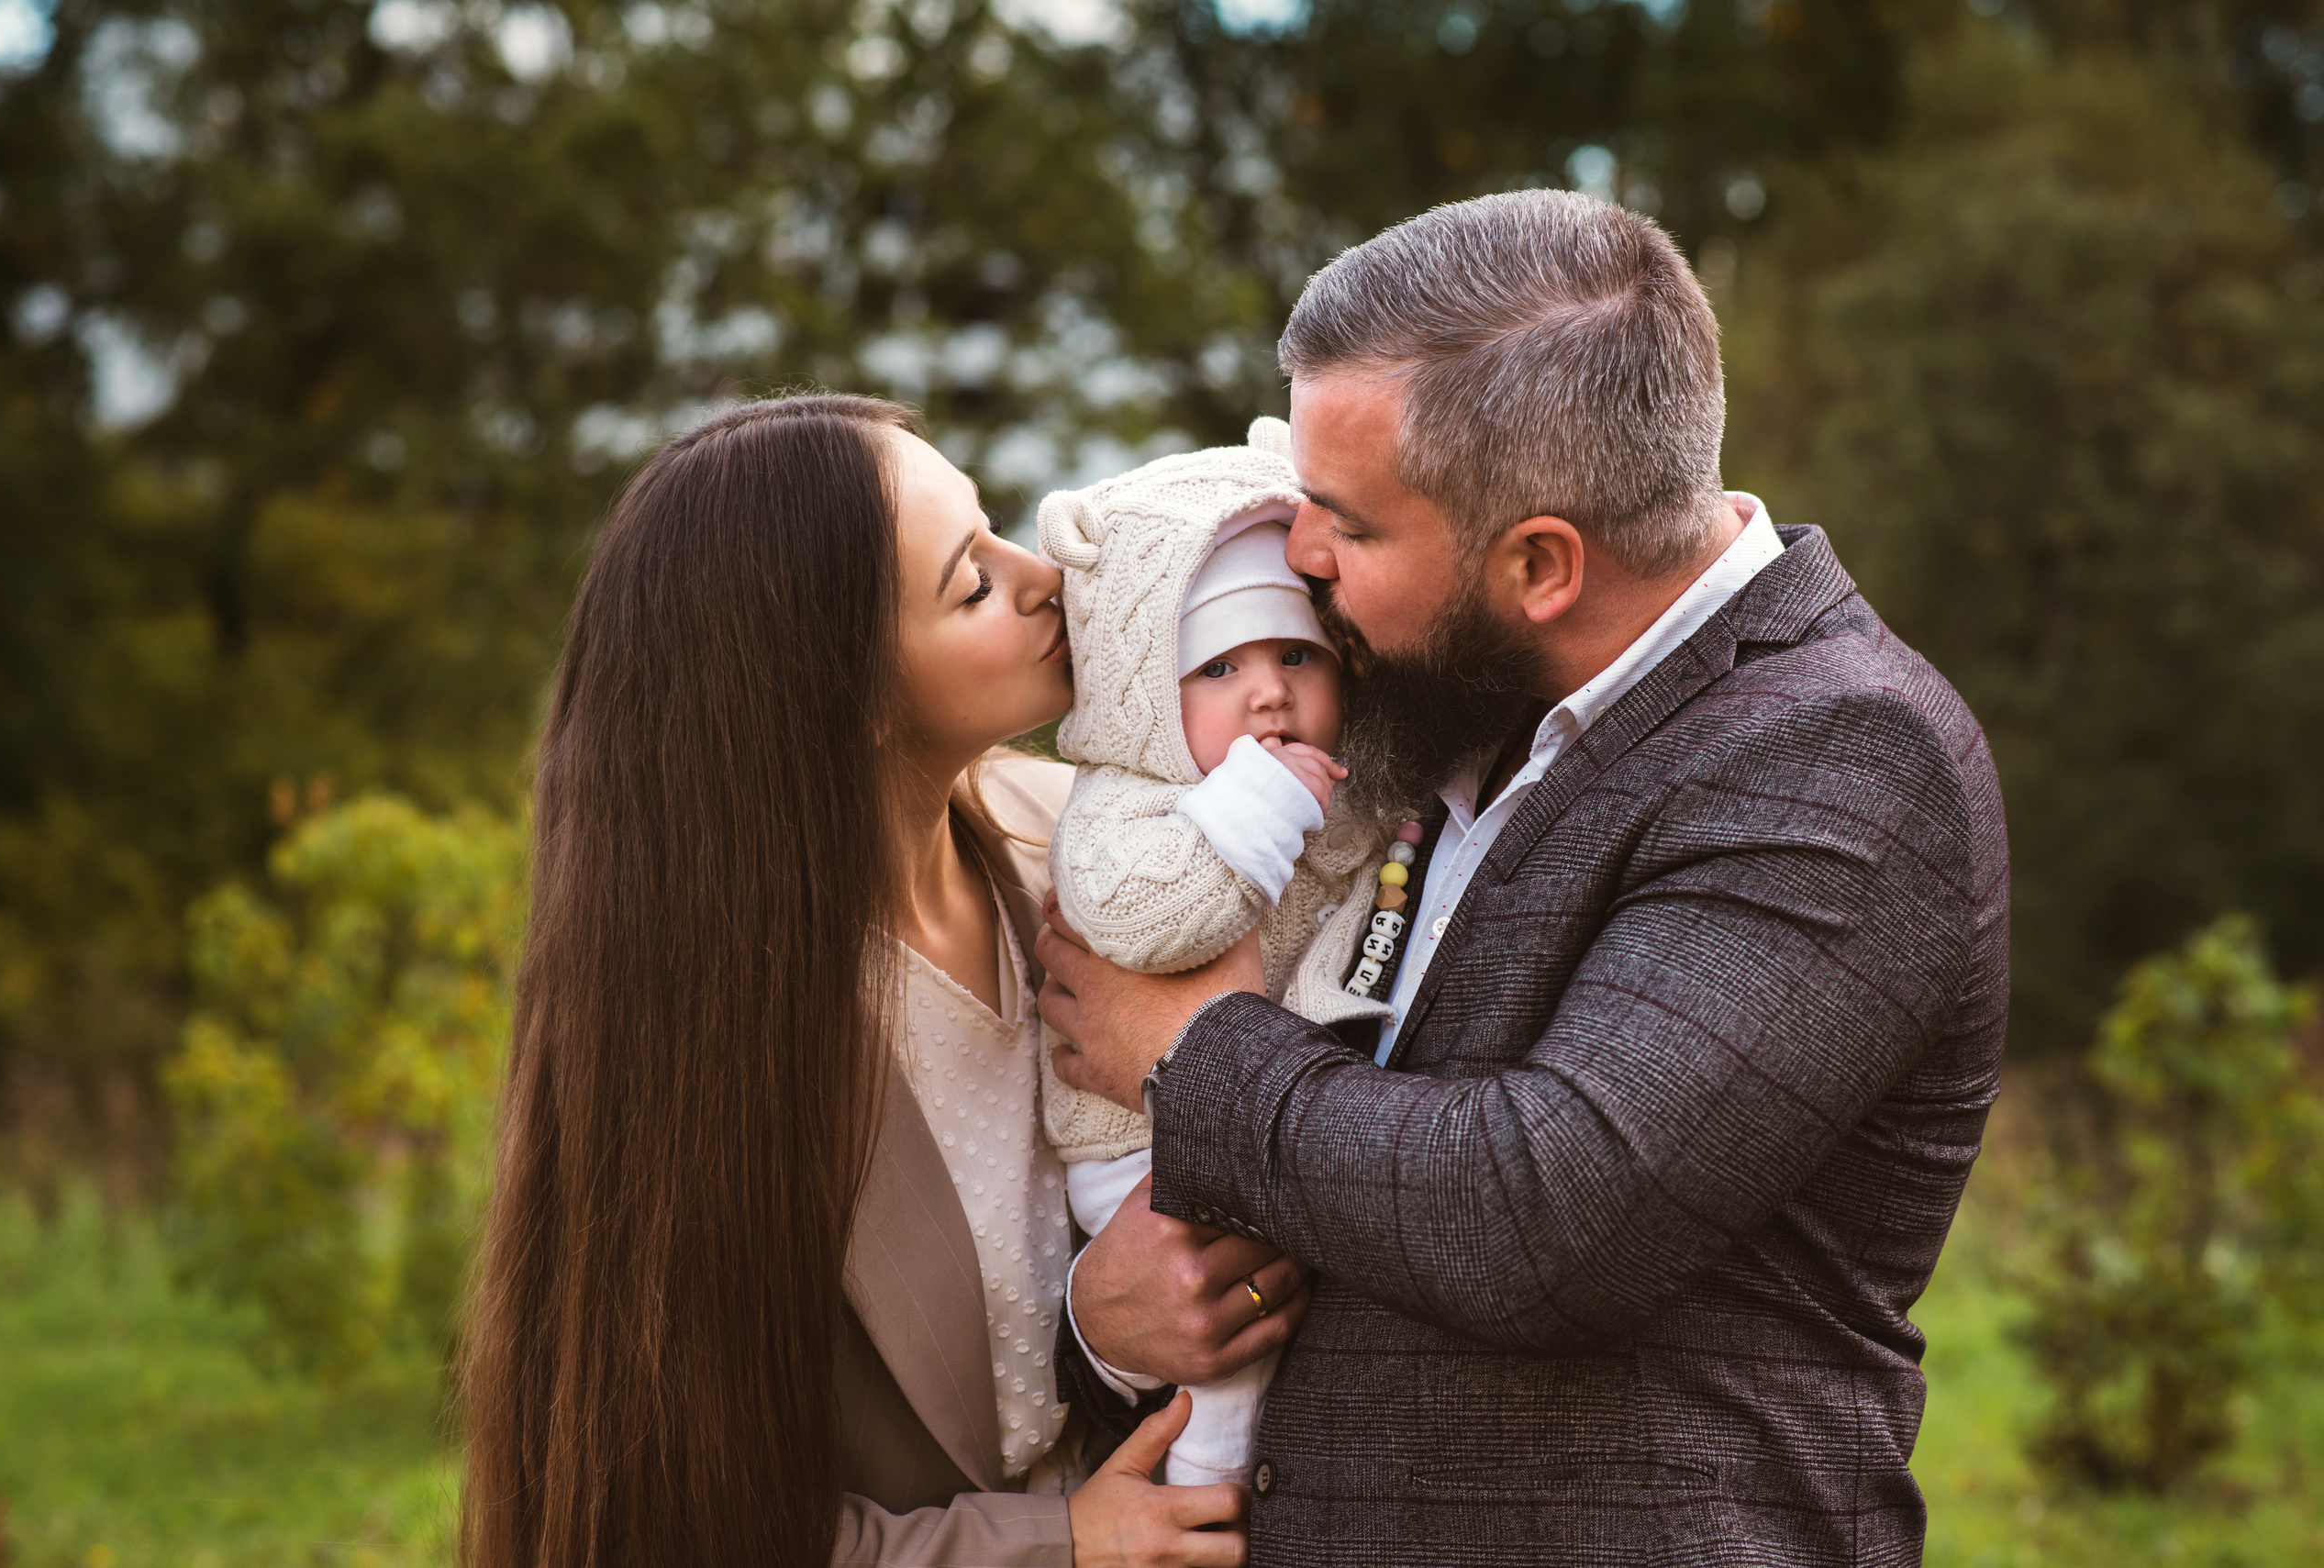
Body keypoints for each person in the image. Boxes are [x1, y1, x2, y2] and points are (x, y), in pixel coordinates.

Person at [1044, 190, 2010, 1565]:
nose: (1299, 557)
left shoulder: (1843, 757)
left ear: (1540, 564)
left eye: (1347, 523)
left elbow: (1537, 1211)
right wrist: (1105, 1319)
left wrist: (1185, 1050)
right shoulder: (1431, 704)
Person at [458, 395, 1300, 1568]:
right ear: (840, 698)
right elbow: (670, 1528)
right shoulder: (705, 1046)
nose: (1046, 576)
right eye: (973, 584)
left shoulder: (1085, 855)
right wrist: (1056, 1544)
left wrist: (1103, 1337)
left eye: (995, 528)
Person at [1028, 428, 1385, 1486]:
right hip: (1137, 1151)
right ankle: (1206, 1501)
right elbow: (1146, 919)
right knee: (1224, 1362)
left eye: (1295, 655)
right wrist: (1261, 804)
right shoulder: (1128, 805)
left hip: (1275, 1123)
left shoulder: (1337, 784)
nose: (1267, 693)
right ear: (1143, 686)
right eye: (1219, 666)